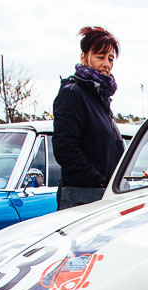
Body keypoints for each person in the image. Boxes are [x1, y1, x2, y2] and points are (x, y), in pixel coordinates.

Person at [52, 26, 124, 209]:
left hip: (106, 195)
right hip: (83, 198)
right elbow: (65, 148)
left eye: (110, 59)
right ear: (84, 57)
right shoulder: (73, 93)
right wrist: (97, 181)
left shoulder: (100, 97)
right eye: (100, 57)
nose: (106, 64)